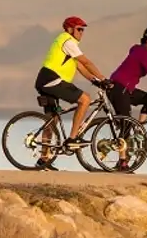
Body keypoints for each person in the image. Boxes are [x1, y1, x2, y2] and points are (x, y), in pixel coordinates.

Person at [34, 16, 105, 149]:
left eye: (83, 30)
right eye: (79, 29)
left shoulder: (67, 43)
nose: (81, 33)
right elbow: (86, 62)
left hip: (45, 81)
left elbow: (80, 66)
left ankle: (43, 160)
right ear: (69, 29)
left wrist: (95, 81)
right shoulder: (68, 41)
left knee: (51, 121)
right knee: (85, 99)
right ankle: (72, 139)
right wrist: (103, 78)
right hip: (52, 80)